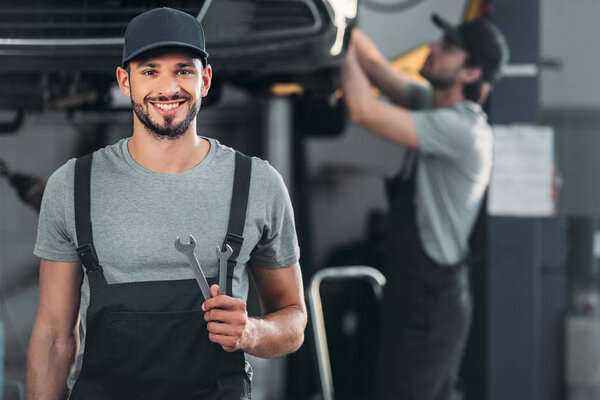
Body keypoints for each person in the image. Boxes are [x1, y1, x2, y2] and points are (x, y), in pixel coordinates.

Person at [26, 7, 306, 400]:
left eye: (184, 71)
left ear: (205, 79)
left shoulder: (258, 184)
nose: (168, 88)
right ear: (125, 81)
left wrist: (252, 332)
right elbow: (55, 338)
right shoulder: (72, 185)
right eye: (150, 71)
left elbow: (293, 320)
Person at [340, 14, 509, 400]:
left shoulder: (463, 130)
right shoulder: (434, 107)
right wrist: (343, 23)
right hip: (415, 289)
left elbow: (363, 110)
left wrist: (336, 47)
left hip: (432, 303)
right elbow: (379, 69)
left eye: (448, 49)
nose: (432, 48)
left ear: (470, 73)